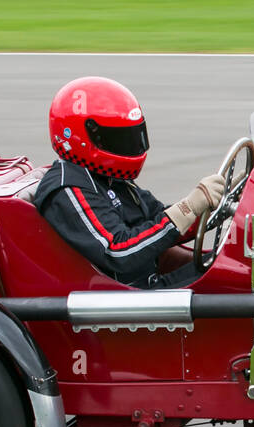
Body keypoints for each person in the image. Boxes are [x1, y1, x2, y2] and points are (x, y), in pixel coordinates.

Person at [33, 76, 225, 289]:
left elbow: (157, 220)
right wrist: (188, 207)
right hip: (125, 297)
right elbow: (118, 251)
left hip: (146, 284)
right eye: (118, 138)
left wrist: (218, 205)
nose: (130, 145)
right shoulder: (68, 188)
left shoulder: (109, 177)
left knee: (236, 267)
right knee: (233, 279)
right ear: (83, 136)